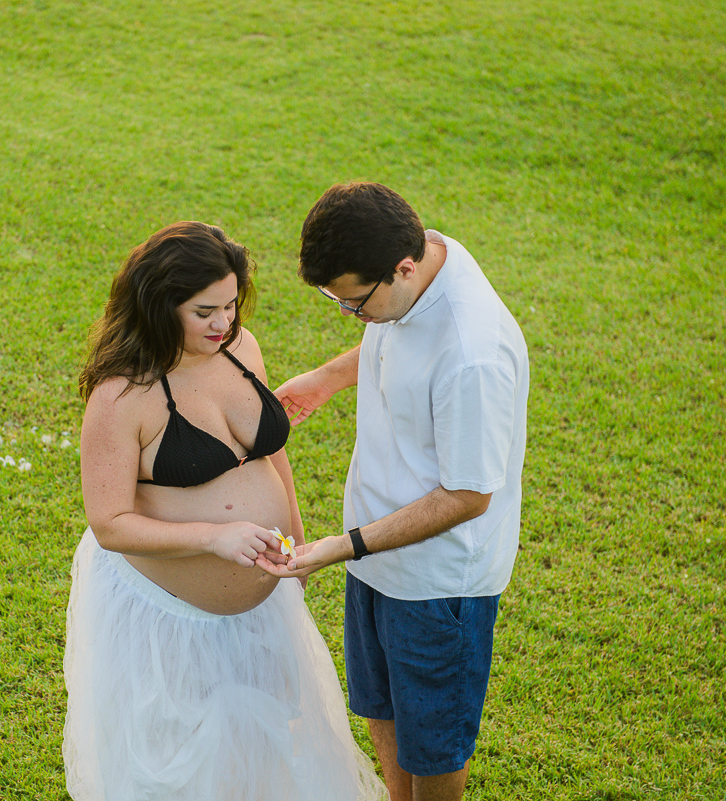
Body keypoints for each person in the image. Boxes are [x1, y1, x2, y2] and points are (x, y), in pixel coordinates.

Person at [63, 221, 387, 801]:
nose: (224, 323)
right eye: (205, 311)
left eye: (232, 305)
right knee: (185, 767)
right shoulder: (122, 394)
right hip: (170, 622)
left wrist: (296, 533)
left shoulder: (241, 347)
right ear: (160, 307)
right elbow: (109, 523)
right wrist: (213, 536)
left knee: (266, 754)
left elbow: (269, 449)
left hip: (265, 602)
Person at [257, 183, 529, 801]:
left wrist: (347, 545)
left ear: (402, 269)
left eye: (355, 303)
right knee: (380, 707)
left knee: (432, 742)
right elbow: (397, 330)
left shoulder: (473, 354)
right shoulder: (425, 263)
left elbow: (467, 495)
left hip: (436, 584)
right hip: (377, 557)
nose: (353, 315)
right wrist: (328, 378)